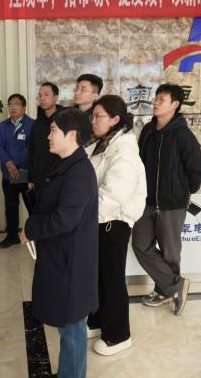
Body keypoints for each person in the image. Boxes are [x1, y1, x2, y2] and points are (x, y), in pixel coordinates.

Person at [19, 108, 98, 378]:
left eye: (54, 130)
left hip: (71, 263)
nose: (48, 136)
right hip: (62, 257)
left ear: (71, 135)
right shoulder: (66, 164)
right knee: (68, 326)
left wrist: (30, 228)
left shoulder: (79, 172)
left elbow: (65, 219)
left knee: (72, 328)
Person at [132, 83, 201, 316]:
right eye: (155, 98)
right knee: (140, 245)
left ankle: (164, 291)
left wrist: (180, 192)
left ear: (175, 104)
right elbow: (139, 163)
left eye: (161, 99)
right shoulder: (148, 130)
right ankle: (175, 286)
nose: (155, 102)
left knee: (170, 253)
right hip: (146, 202)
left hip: (172, 205)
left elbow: (198, 170)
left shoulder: (182, 135)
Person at [85, 95, 146, 356]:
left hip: (114, 222)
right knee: (98, 276)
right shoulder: (103, 144)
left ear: (115, 119)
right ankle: (98, 321)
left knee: (111, 279)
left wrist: (82, 218)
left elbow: (113, 195)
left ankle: (119, 335)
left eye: (98, 116)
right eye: (93, 116)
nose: (93, 121)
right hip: (100, 220)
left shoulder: (124, 151)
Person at [0, 93, 34, 248]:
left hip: (27, 174)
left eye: (17, 104)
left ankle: (35, 235)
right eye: (10, 104)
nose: (13, 107)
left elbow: (30, 149)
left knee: (32, 206)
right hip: (8, 174)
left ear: (24, 108)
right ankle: (12, 236)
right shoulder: (3, 126)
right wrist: (8, 163)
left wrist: (14, 163)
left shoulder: (32, 125)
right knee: (10, 207)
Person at [27, 82, 64, 193]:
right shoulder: (36, 123)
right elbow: (32, 151)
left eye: (46, 95)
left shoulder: (64, 120)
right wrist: (31, 178)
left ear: (55, 97)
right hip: (40, 179)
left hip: (59, 177)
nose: (42, 98)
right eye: (40, 95)